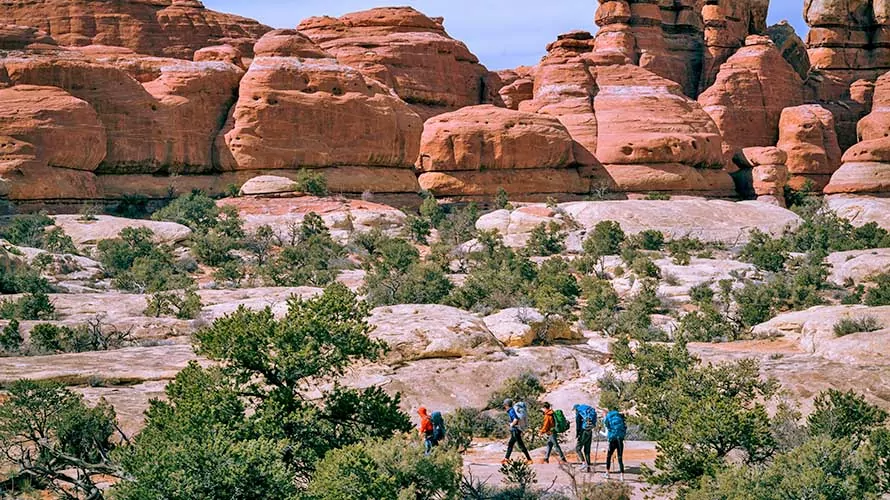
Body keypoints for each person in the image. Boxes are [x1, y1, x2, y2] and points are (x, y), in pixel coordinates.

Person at [502, 399, 532, 463]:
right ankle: (506, 459)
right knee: (510, 444)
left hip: (516, 430)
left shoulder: (511, 411)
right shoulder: (512, 410)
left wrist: (511, 424)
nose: (504, 407)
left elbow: (516, 419)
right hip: (516, 430)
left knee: (521, 445)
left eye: (504, 405)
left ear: (506, 405)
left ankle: (529, 459)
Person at [603, 406, 627, 481]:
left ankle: (607, 473)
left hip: (613, 438)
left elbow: (607, 426)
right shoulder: (620, 417)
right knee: (620, 458)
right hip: (620, 438)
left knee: (609, 456)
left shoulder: (608, 417)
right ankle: (622, 476)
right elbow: (625, 427)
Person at [573, 403, 596, 472]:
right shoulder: (588, 412)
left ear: (576, 409)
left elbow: (578, 424)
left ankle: (583, 463)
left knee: (578, 449)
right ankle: (588, 468)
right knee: (587, 450)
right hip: (590, 431)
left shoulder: (579, 413)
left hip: (584, 431)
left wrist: (577, 434)